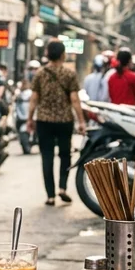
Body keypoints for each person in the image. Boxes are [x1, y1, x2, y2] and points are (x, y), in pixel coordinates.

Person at [27, 38, 86, 206]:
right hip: (64, 120)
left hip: (44, 120)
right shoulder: (69, 74)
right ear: (63, 55)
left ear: (47, 54)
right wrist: (81, 121)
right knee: (65, 154)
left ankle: (50, 195)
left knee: (47, 156)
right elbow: (74, 100)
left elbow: (34, 99)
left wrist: (30, 118)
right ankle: (62, 187)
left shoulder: (40, 73)